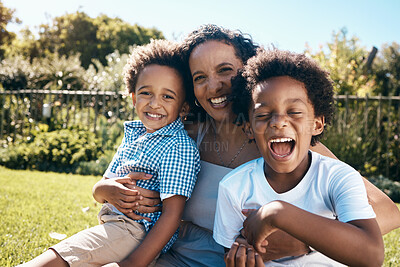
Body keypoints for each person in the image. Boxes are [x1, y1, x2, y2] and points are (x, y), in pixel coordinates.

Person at [95, 25, 400, 267]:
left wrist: (303, 240)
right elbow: (127, 173)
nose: (214, 86)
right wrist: (107, 190)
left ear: (248, 71)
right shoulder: (184, 135)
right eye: (200, 77)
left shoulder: (280, 141)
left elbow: (388, 211)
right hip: (177, 257)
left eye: (225, 71)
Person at [23, 39, 200, 267]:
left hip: (134, 233)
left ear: (184, 107)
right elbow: (101, 191)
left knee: (55, 259)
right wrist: (105, 189)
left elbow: (172, 216)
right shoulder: (134, 136)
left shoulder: (178, 146)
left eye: (167, 96)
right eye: (146, 93)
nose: (155, 104)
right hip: (112, 226)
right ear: (134, 98)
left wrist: (132, 263)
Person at [214, 49, 384, 266]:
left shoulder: (338, 177)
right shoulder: (234, 187)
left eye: (294, 112)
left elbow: (372, 255)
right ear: (248, 128)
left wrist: (277, 213)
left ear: (317, 124)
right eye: (264, 115)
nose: (278, 122)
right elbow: (233, 254)